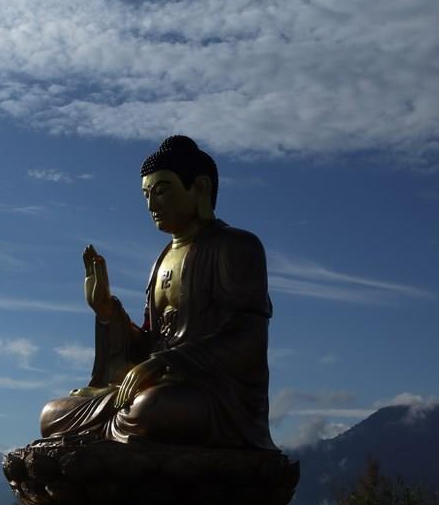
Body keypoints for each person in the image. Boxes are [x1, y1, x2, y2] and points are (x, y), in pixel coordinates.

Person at [39, 136, 277, 450]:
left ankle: (113, 441)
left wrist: (164, 362)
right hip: (159, 387)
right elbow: (149, 344)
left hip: (214, 397)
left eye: (162, 191)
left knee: (150, 408)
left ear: (201, 188)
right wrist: (107, 311)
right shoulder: (162, 259)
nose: (152, 205)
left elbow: (249, 339)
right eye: (146, 194)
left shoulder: (236, 246)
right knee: (52, 414)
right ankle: (111, 436)